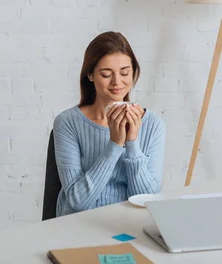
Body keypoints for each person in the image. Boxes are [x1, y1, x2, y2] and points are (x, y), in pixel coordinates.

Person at [53, 31, 166, 217]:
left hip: (129, 224)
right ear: (90, 74)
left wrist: (132, 143)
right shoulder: (68, 123)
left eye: (125, 73)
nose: (117, 82)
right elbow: (77, 201)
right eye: (106, 74)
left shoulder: (153, 124)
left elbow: (147, 200)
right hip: (79, 224)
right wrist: (114, 144)